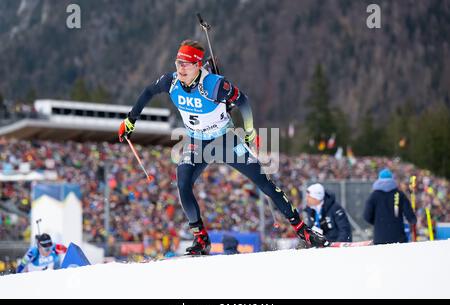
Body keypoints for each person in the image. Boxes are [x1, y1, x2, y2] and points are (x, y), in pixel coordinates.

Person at [118, 39, 328, 255]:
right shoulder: (170, 82)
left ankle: (302, 230)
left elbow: (243, 102)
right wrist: (130, 120)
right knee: (183, 183)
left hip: (224, 139)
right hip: (196, 141)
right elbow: (147, 91)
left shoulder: (215, 85)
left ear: (198, 65)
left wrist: (249, 132)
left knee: (262, 181)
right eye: (178, 62)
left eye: (186, 64)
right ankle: (201, 239)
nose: (180, 68)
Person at [364, 168, 417, 245]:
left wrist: (378, 222)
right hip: (398, 237)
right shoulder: (399, 194)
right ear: (392, 180)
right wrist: (413, 221)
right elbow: (410, 215)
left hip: (380, 238)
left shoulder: (374, 196)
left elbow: (366, 216)